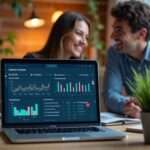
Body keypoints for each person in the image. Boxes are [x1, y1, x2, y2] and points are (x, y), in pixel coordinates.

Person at [103, 0, 150, 118]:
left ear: (141, 34)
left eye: (119, 30)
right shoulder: (115, 53)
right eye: (114, 29)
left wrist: (143, 109)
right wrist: (128, 105)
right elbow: (110, 95)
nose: (112, 36)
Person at [23, 11, 90, 59]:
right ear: (63, 32)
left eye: (86, 37)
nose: (84, 42)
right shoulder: (32, 60)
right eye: (79, 33)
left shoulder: (80, 69)